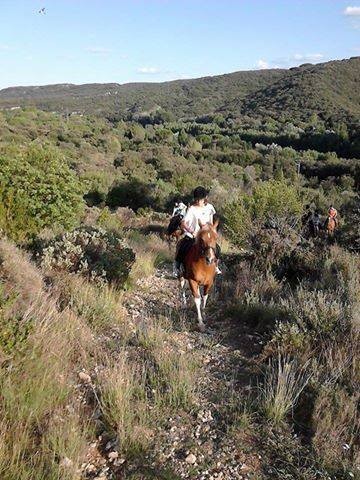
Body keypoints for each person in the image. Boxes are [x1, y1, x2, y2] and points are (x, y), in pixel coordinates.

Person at [174, 186, 221, 277]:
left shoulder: (210, 208)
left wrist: (212, 231)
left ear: (204, 199)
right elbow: (183, 223)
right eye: (196, 199)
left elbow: (212, 220)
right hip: (193, 236)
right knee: (182, 247)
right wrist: (191, 231)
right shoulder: (192, 209)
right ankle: (177, 267)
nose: (198, 201)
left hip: (206, 236)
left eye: (200, 199)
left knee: (217, 249)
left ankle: (215, 266)